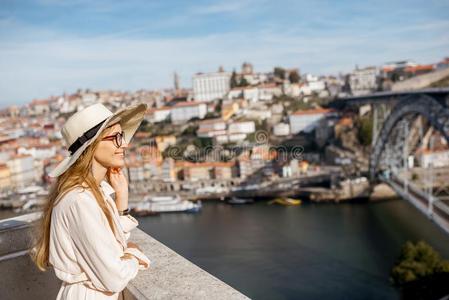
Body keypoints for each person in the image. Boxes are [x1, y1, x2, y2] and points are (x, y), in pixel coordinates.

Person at [30, 102, 151, 299]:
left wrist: (122, 201)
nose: (125, 144)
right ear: (91, 146)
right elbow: (114, 278)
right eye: (116, 138)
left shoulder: (92, 191)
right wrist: (134, 256)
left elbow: (107, 243)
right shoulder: (80, 200)